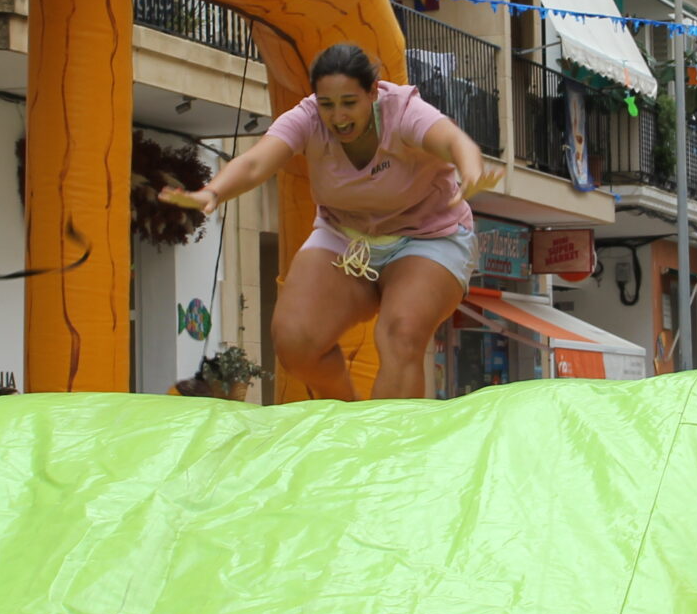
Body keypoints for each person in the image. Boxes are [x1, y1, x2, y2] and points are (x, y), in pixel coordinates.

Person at [162, 43, 495, 401]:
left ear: (372, 92)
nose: (338, 117)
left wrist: (471, 169)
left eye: (349, 103)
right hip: (345, 237)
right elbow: (257, 162)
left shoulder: (404, 111)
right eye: (327, 104)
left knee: (401, 333)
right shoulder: (306, 118)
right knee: (295, 340)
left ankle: (392, 444)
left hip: (429, 237)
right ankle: (346, 421)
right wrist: (213, 192)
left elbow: (453, 141)